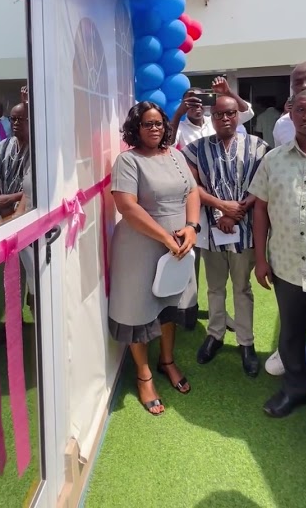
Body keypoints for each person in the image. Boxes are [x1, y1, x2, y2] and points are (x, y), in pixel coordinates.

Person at [108, 102, 201, 416]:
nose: (154, 129)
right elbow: (127, 207)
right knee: (140, 312)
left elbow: (192, 192)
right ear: (136, 128)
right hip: (140, 247)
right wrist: (164, 237)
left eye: (159, 123)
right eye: (147, 124)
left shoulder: (175, 155)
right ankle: (144, 374)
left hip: (178, 244)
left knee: (170, 306)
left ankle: (167, 361)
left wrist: (191, 227)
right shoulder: (128, 160)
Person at [249, 88, 306, 422]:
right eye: (301, 109)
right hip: (286, 265)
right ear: (290, 114)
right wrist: (260, 258)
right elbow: (260, 211)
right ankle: (295, 389)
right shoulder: (273, 159)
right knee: (291, 333)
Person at [183, 94, 268, 377]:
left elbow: (261, 185)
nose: (225, 119)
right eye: (219, 115)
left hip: (244, 231)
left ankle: (246, 342)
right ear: (212, 117)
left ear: (239, 115)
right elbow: (192, 187)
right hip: (211, 231)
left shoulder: (258, 147)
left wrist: (235, 213)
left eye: (230, 113)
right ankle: (215, 335)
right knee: (215, 287)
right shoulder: (196, 148)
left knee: (242, 289)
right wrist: (221, 209)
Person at [0, 102, 36, 301]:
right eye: (13, 119)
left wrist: (12, 198)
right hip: (4, 215)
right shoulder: (3, 145)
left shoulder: (38, 149)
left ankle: (36, 317)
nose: (16, 123)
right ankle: (12, 319)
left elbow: (36, 185)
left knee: (35, 277)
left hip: (29, 218)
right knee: (11, 274)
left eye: (21, 119)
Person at [170, 76, 254, 148]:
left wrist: (228, 92)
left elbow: (247, 114)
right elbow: (168, 144)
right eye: (192, 102)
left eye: (200, 100)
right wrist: (178, 114)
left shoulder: (216, 120)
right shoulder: (180, 127)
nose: (197, 105)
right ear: (183, 104)